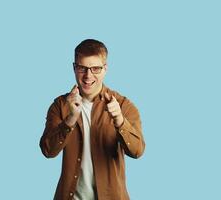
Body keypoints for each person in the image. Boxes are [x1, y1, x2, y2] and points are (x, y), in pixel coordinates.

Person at [40, 39, 145, 200]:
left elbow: (138, 151)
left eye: (95, 68)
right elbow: (48, 150)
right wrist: (70, 119)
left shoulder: (123, 105)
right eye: (82, 68)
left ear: (105, 69)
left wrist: (119, 121)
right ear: (74, 68)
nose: (88, 76)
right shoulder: (60, 105)